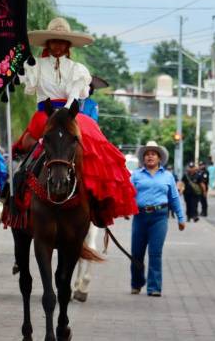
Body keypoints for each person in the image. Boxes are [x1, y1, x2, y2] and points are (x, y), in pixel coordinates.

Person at [13, 17, 136, 227]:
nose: (58, 46)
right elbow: (28, 85)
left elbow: (77, 93)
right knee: (27, 153)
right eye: (54, 41)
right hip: (45, 114)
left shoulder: (77, 68)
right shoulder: (35, 64)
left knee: (96, 149)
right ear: (47, 44)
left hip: (71, 114)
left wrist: (68, 109)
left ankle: (95, 204)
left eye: (62, 42)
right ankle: (18, 197)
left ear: (68, 45)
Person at [130, 141, 185, 297]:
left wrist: (181, 218)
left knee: (155, 253)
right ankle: (136, 282)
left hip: (159, 217)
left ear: (159, 158)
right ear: (143, 158)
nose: (150, 157)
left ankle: (154, 287)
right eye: (147, 154)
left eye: (153, 154)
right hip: (140, 217)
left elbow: (174, 197)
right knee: (137, 253)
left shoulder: (167, 176)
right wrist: (125, 210)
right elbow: (128, 194)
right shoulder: (136, 175)